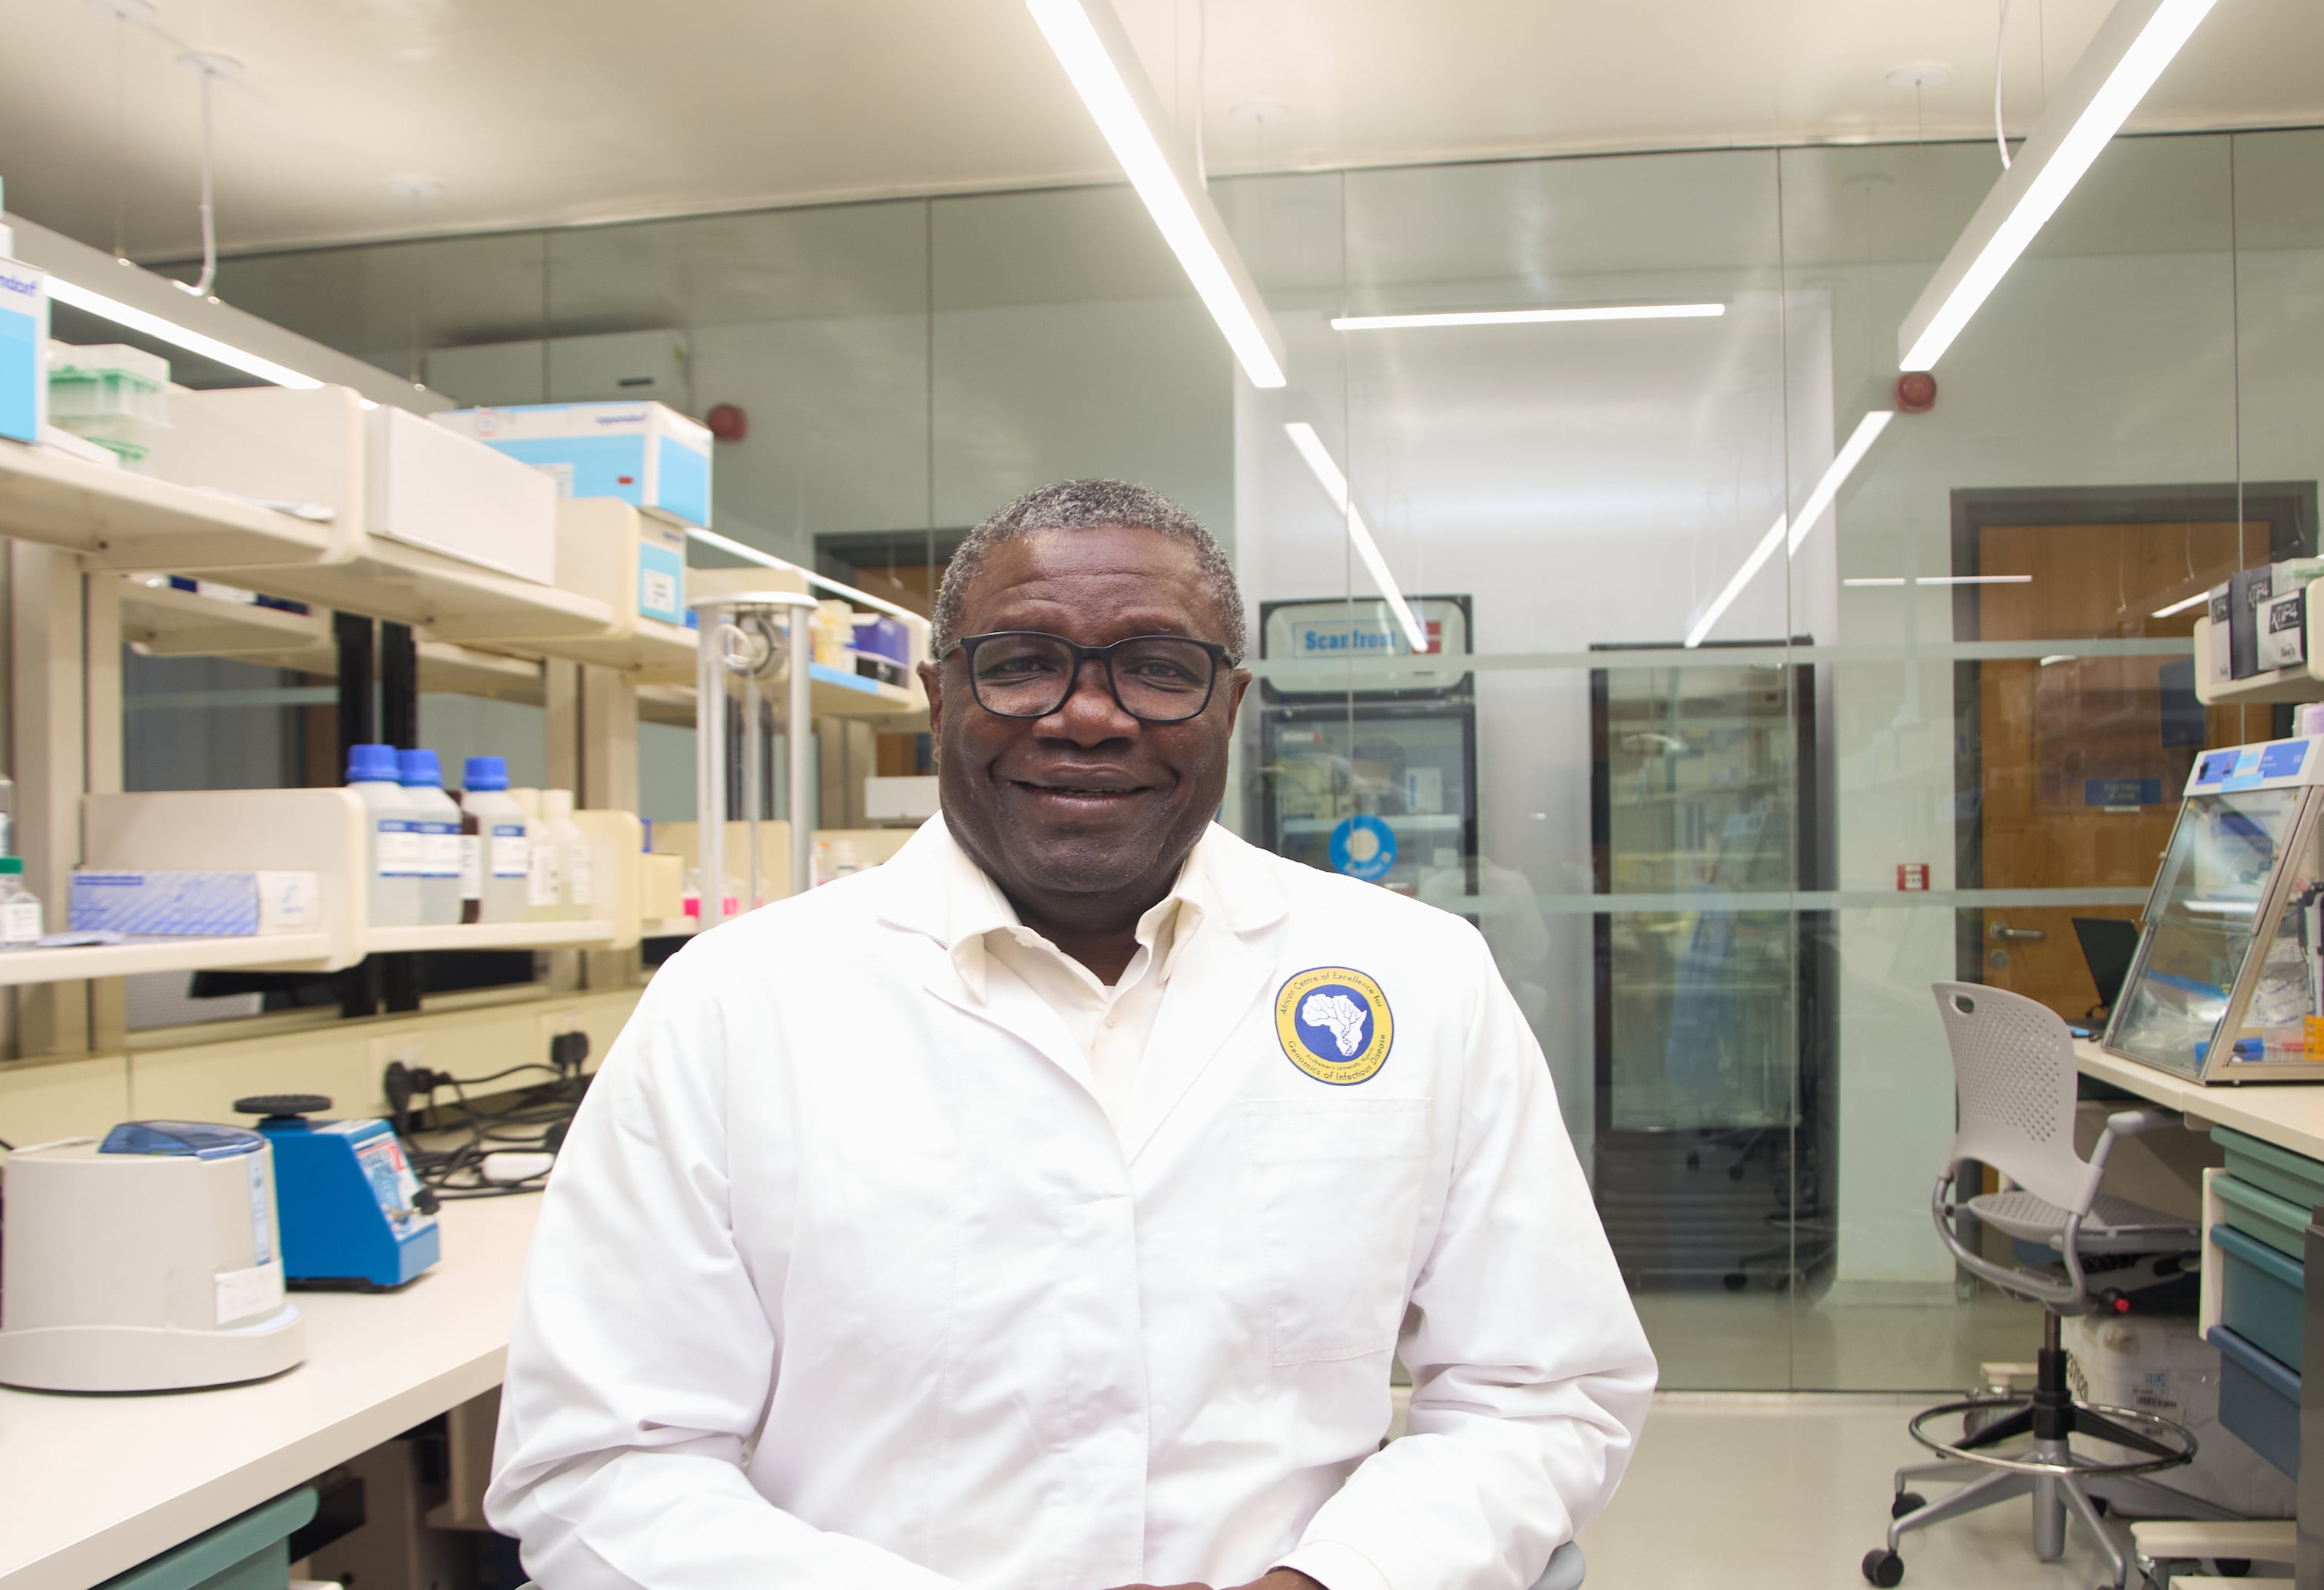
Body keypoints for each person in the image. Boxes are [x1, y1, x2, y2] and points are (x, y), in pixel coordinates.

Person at [489, 480, 1656, 1590]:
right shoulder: (733, 1003)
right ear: (939, 698)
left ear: (1231, 706)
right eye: (1022, 664)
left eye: (1158, 669)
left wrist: (1330, 1580)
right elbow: (602, 1464)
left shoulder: (1418, 978)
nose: (1088, 716)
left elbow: (1542, 1389)